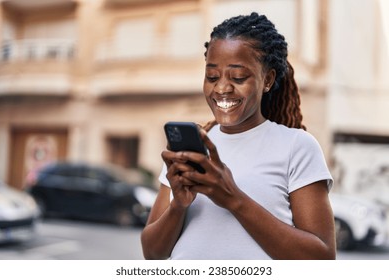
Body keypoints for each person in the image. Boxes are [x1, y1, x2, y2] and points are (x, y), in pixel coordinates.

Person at [141, 12, 335, 260]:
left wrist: (233, 198)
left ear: (268, 80)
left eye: (238, 77)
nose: (221, 88)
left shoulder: (297, 146)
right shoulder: (196, 146)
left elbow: (322, 258)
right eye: (212, 76)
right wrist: (178, 205)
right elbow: (152, 253)